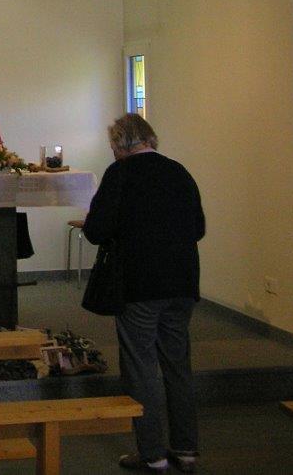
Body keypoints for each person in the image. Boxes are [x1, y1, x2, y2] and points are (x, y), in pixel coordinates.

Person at [83, 114, 205, 473]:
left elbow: (96, 230)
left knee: (140, 366)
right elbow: (198, 227)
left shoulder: (119, 174)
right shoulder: (179, 171)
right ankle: (186, 450)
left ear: (119, 145)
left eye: (112, 146)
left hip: (139, 284)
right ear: (149, 139)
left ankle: (153, 454)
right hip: (182, 282)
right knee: (177, 364)